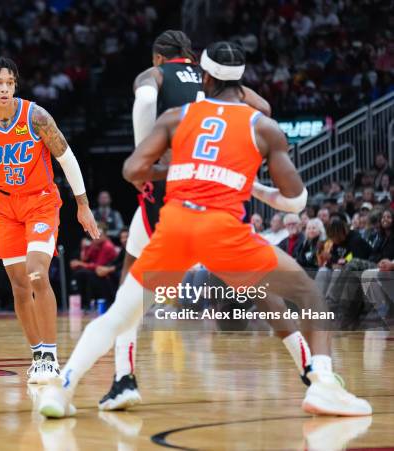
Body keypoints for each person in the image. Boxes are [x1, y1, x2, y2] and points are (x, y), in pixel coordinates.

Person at [39, 41, 371, 418]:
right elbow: (295, 201)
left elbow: (132, 171)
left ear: (205, 77)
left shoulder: (178, 116)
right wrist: (252, 185)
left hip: (175, 222)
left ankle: (62, 388)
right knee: (309, 294)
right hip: (224, 229)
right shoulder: (264, 127)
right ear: (241, 83)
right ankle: (322, 382)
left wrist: (180, 168)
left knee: (119, 313)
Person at [100, 30, 272, 411]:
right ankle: (315, 369)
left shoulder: (156, 76)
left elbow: (144, 100)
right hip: (214, 189)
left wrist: (146, 156)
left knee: (130, 286)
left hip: (171, 188)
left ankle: (123, 378)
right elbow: (265, 108)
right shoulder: (218, 80)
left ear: (159, 57)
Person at [0, 57, 98, 385]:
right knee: (18, 285)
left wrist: (82, 205)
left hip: (41, 201)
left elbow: (66, 157)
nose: (5, 88)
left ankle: (52, 356)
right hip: (5, 207)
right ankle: (38, 354)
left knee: (37, 273)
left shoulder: (36, 117)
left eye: (10, 83)